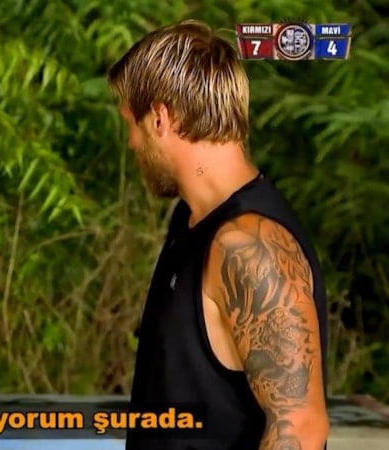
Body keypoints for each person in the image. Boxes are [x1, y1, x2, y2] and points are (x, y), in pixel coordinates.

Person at [106, 20, 329, 449]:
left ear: (160, 119)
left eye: (131, 124)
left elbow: (300, 428)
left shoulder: (249, 245)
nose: (132, 143)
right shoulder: (191, 220)